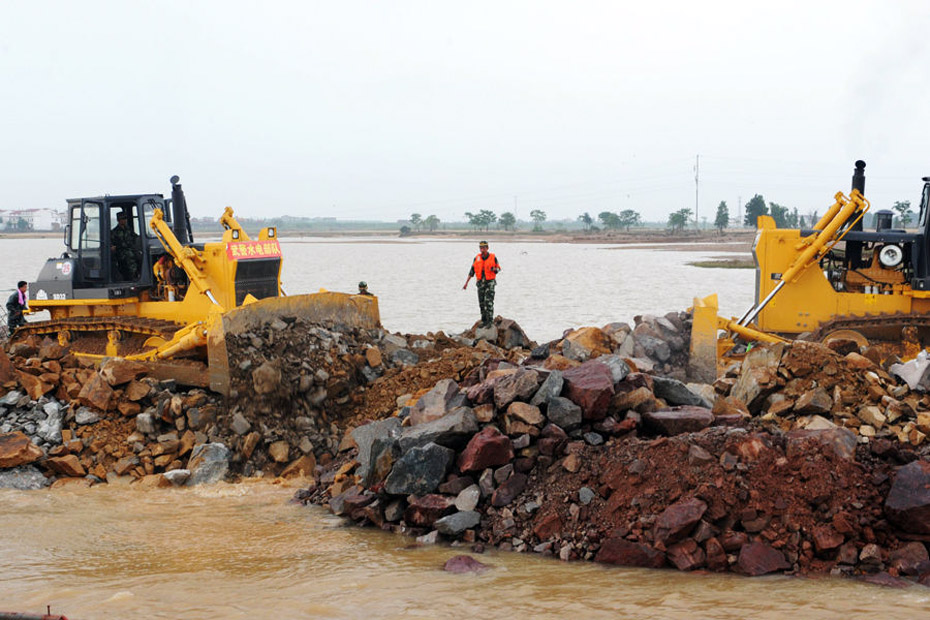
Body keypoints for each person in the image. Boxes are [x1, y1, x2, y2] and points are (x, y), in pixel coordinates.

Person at [463, 240, 501, 328]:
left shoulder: (493, 257)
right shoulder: (477, 258)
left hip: (490, 283)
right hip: (480, 283)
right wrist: (466, 283)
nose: (482, 250)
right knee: (482, 303)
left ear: (487, 248)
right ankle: (484, 320)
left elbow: (499, 268)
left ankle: (490, 321)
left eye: (484, 248)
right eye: (481, 248)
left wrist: (495, 269)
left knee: (488, 302)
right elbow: (471, 272)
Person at [111, 211, 139, 280]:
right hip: (121, 252)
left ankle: (135, 276)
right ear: (118, 220)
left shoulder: (129, 229)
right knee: (129, 259)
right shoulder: (114, 232)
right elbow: (112, 244)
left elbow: (135, 237)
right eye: (123, 219)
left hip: (131, 250)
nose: (125, 220)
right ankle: (132, 277)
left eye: (125, 218)